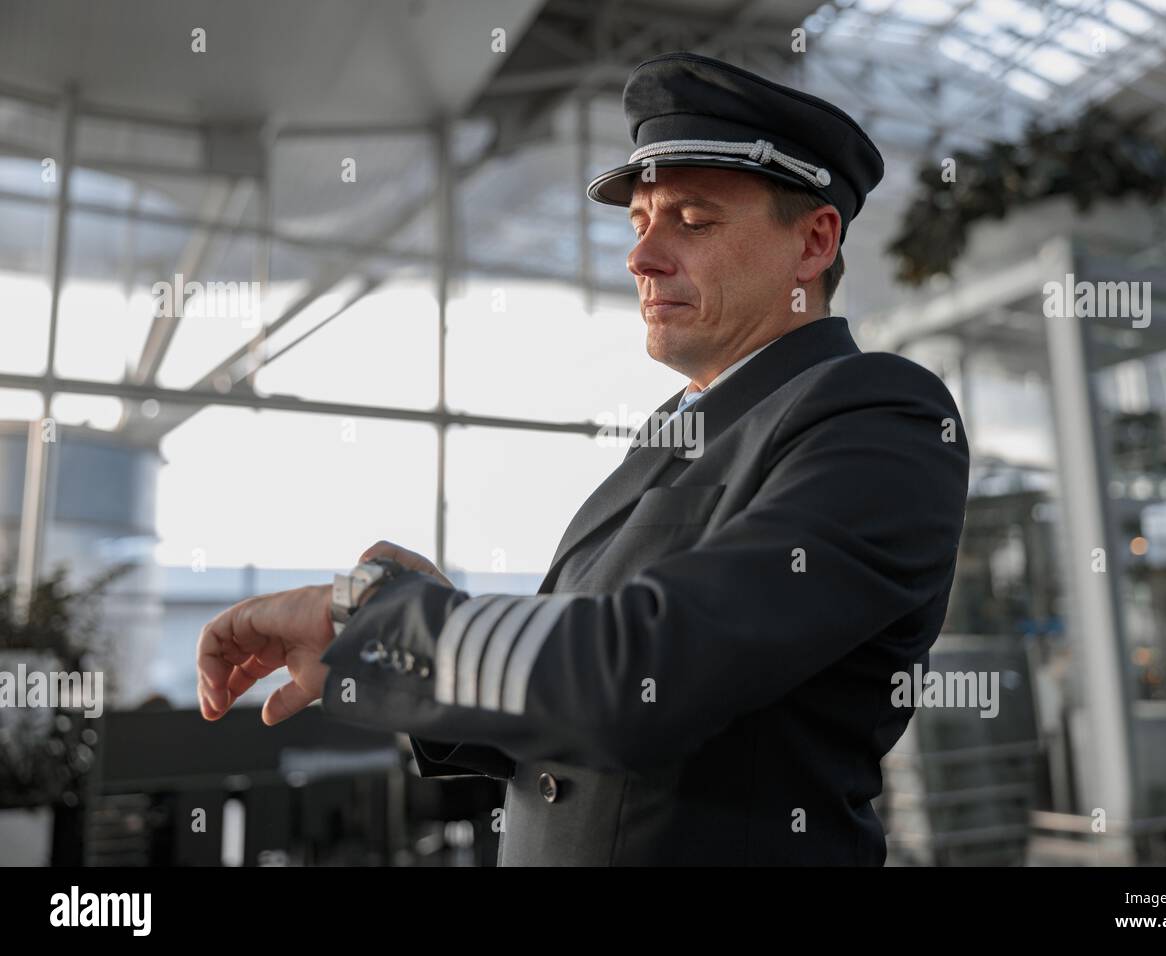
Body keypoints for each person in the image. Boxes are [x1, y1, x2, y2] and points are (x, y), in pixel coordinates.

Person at [196, 51, 969, 865]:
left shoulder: (879, 412)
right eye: (640, 224)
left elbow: (645, 673)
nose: (641, 258)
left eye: (693, 221)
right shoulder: (680, 428)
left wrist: (380, 620)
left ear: (814, 243)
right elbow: (573, 728)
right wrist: (401, 640)